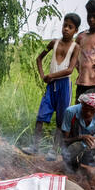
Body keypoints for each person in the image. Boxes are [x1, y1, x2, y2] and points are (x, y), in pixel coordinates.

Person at [26, 13, 81, 159]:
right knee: (41, 115)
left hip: (64, 86)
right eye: (65, 25)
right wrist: (43, 75)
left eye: (70, 27)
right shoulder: (53, 43)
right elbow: (39, 58)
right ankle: (34, 147)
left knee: (60, 120)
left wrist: (51, 76)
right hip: (51, 86)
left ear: (75, 30)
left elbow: (70, 69)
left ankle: (53, 151)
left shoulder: (75, 47)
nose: (66, 29)